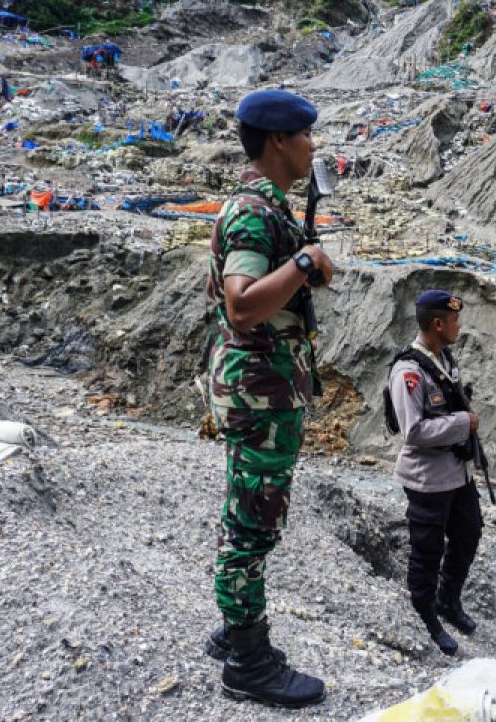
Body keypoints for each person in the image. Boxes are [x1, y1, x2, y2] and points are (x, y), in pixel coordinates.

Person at [202, 88, 335, 708]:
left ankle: (236, 634)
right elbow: (242, 302)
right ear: (279, 140)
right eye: (306, 135)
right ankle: (248, 662)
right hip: (260, 391)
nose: (313, 146)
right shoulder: (254, 209)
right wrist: (306, 263)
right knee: (254, 522)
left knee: (246, 512)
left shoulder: (266, 205)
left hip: (260, 387)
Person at [388, 290, 485, 657]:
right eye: (454, 320)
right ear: (437, 323)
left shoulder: (443, 359)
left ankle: (448, 600)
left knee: (468, 534)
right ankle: (425, 613)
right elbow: (412, 431)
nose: (459, 326)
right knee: (426, 551)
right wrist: (463, 423)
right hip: (427, 479)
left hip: (456, 475)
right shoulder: (409, 371)